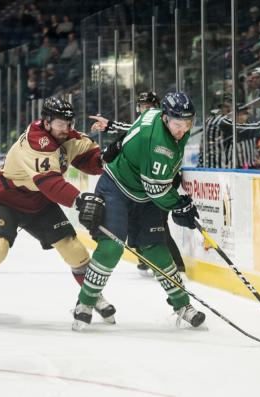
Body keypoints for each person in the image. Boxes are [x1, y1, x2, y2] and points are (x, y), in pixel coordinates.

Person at [0, 97, 115, 329]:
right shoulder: (36, 142)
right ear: (48, 121)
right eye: (61, 123)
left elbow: (90, 162)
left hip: (38, 203)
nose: (67, 128)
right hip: (4, 201)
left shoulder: (68, 137)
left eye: (69, 123)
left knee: (75, 249)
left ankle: (91, 296)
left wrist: (108, 156)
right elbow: (50, 183)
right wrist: (80, 199)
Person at [73, 91, 205, 331]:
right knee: (111, 246)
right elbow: (156, 190)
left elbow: (131, 130)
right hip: (118, 188)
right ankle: (85, 303)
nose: (183, 129)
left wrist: (116, 141)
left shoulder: (153, 115)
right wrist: (179, 204)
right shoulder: (160, 146)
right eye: (178, 124)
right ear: (165, 118)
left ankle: (182, 305)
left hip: (145, 193)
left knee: (156, 248)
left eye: (188, 123)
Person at [89, 91, 187, 276]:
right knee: (144, 222)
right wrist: (110, 126)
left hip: (164, 182)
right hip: (148, 183)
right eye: (142, 106)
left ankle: (176, 264)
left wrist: (110, 126)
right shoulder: (149, 124)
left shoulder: (164, 125)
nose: (145, 110)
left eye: (148, 106)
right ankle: (147, 259)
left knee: (158, 224)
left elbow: (135, 129)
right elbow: (132, 128)